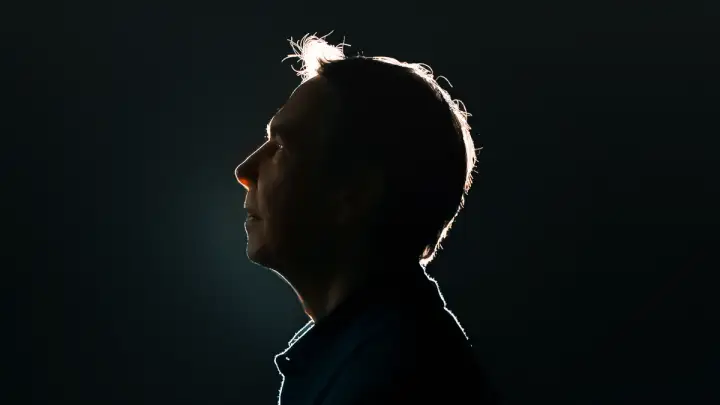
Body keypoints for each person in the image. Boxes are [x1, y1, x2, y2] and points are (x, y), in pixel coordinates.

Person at [235, 33, 497, 405]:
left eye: (281, 147)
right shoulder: (384, 353)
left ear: (355, 193)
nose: (244, 170)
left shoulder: (390, 378)